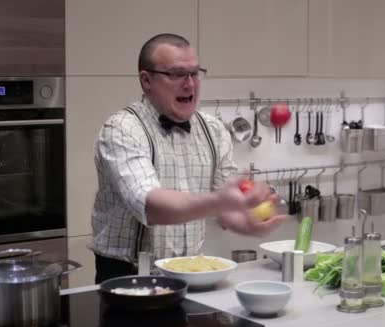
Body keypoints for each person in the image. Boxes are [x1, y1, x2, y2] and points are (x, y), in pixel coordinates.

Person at [90, 33, 286, 284]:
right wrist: (220, 201)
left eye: (195, 73)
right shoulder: (122, 129)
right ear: (146, 80)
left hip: (192, 274)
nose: (190, 84)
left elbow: (224, 206)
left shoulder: (214, 130)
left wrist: (244, 220)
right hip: (128, 277)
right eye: (176, 74)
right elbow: (150, 206)